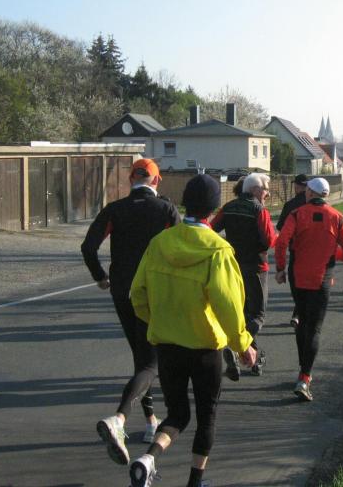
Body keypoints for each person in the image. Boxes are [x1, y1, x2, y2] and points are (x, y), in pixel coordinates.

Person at [128, 173, 257, 487]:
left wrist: (157, 321)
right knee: (206, 416)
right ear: (213, 209)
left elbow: (138, 294)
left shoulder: (160, 243)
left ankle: (148, 458)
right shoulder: (218, 250)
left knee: (177, 415)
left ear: (185, 202)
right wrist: (242, 345)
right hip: (204, 347)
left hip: (167, 344)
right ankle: (195, 482)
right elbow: (229, 305)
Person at [81, 158, 180, 466]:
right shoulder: (166, 210)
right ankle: (120, 417)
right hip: (153, 291)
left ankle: (150, 421)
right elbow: (181, 248)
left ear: (130, 180)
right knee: (151, 362)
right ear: (156, 180)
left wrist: (100, 276)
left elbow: (88, 247)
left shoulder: (114, 209)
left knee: (141, 356)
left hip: (122, 290)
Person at [274, 177, 343, 402]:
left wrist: (280, 268)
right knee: (314, 327)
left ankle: (303, 368)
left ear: (309, 193)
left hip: (298, 275)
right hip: (322, 278)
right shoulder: (337, 217)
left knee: (302, 320)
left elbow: (281, 242)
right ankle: (304, 377)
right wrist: (331, 256)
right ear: (326, 195)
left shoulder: (296, 214)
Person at [211, 172, 276, 379]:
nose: (267, 193)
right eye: (265, 190)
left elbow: (211, 229)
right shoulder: (259, 210)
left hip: (233, 265)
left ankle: (250, 357)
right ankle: (236, 346)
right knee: (257, 315)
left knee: (240, 312)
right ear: (255, 189)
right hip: (256, 266)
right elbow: (268, 241)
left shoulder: (228, 207)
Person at [276, 173, 308, 328]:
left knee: (296, 283)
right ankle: (299, 313)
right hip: (313, 250)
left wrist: (280, 268)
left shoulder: (290, 205)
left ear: (296, 186)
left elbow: (280, 227)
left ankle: (298, 313)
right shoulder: (313, 205)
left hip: (295, 249)